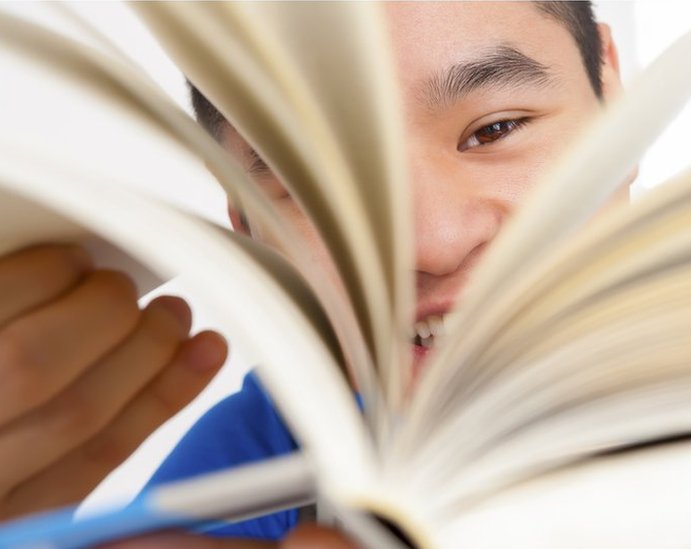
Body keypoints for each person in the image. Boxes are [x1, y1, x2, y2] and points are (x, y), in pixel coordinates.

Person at [0, 2, 626, 547]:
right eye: (318, 186)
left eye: (496, 130)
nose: (432, 244)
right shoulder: (238, 485)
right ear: (245, 221)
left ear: (613, 92)